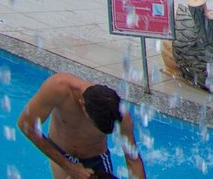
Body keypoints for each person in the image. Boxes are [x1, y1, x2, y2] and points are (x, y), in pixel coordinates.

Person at [17, 72, 146, 179]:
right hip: (60, 152)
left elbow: (133, 159)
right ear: (82, 104)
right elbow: (26, 124)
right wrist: (68, 166)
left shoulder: (120, 115)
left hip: (96, 158)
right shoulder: (58, 88)